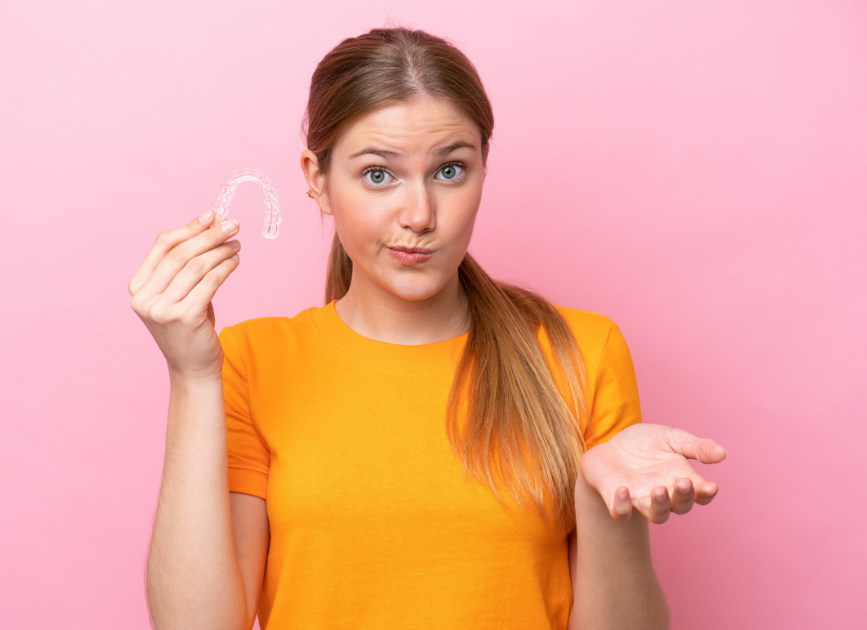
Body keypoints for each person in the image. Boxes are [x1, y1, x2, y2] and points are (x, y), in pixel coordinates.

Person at [129, 26, 728, 630]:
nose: (419, 216)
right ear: (317, 180)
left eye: (450, 170)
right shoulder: (251, 361)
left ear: (484, 168)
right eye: (378, 175)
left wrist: (608, 509)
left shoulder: (582, 353)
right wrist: (191, 376)